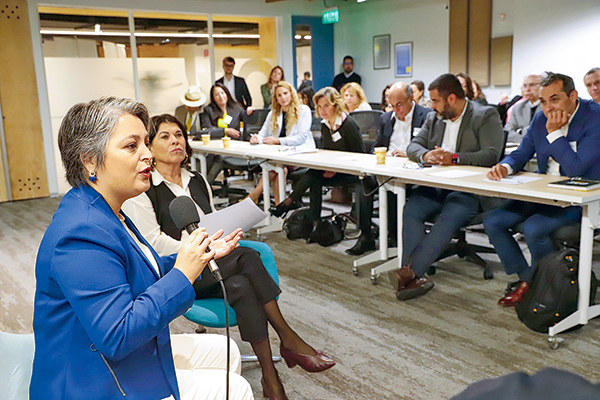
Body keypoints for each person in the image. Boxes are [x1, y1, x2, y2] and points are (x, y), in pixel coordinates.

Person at [30, 97, 254, 400]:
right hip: (93, 381)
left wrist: (196, 256)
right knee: (236, 389)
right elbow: (119, 335)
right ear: (90, 160)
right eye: (131, 146)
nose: (148, 154)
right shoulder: (81, 234)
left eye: (146, 143)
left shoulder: (108, 211)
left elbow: (140, 269)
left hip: (112, 360)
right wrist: (183, 275)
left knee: (225, 350)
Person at [122, 113, 335, 400]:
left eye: (179, 135)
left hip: (212, 260)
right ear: (151, 146)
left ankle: (271, 380)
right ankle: (288, 338)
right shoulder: (145, 188)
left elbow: (209, 220)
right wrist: (201, 245)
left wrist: (219, 233)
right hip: (179, 271)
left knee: (241, 286)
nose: (175, 141)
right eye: (165, 136)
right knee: (247, 258)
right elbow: (153, 243)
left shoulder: (196, 179)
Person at [484, 72, 600, 307]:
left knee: (534, 228)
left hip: (580, 198)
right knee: (493, 221)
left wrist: (554, 133)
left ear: (573, 96)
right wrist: (505, 167)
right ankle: (531, 280)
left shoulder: (595, 117)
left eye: (554, 99)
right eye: (544, 101)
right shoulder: (540, 117)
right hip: (544, 193)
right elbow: (521, 153)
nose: (547, 108)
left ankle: (542, 287)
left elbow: (575, 168)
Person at [394, 73, 503, 301]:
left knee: (449, 216)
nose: (431, 105)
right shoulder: (435, 118)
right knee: (411, 209)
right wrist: (426, 154)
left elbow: (492, 154)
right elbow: (414, 145)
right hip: (435, 185)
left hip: (467, 190)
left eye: (435, 101)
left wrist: (454, 158)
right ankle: (411, 276)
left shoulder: (484, 115)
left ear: (451, 98)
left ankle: (410, 273)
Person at [270, 87, 374, 252]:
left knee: (313, 175)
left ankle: (290, 201)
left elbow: (360, 156)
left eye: (326, 105)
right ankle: (315, 224)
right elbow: (326, 153)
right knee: (314, 176)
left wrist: (337, 168)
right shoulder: (325, 125)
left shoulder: (348, 125)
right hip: (337, 170)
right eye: (319, 106)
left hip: (354, 173)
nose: (322, 110)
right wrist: (330, 167)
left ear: (335, 105)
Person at [351, 82, 431, 255]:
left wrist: (410, 153)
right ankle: (366, 236)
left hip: (413, 171)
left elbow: (431, 149)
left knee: (392, 188)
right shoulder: (386, 118)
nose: (396, 110)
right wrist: (378, 154)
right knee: (363, 183)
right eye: (392, 106)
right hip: (388, 168)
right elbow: (376, 146)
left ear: (411, 98)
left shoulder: (427, 117)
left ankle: (395, 236)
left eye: (399, 105)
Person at [248, 81, 315, 204]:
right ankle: (280, 206)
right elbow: (262, 134)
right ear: (275, 98)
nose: (283, 97)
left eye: (285, 93)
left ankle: (254, 195)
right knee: (280, 169)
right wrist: (256, 138)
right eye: (279, 95)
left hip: (300, 152)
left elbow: (301, 138)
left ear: (291, 94)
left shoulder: (303, 110)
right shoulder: (273, 113)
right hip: (280, 155)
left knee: (277, 167)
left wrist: (277, 141)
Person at [199, 83, 254, 183]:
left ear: (227, 94)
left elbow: (248, 120)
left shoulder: (236, 108)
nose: (220, 96)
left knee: (220, 158)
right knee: (207, 157)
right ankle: (201, 183)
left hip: (234, 148)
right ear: (213, 97)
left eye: (222, 93)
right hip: (215, 147)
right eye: (217, 94)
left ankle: (205, 186)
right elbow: (207, 130)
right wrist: (225, 131)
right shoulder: (209, 110)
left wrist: (249, 111)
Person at [504, 73, 544, 144]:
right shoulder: (518, 108)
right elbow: (507, 131)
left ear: (543, 86)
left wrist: (521, 131)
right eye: (525, 86)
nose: (527, 89)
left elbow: (542, 132)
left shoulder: (549, 107)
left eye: (532, 85)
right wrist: (525, 141)